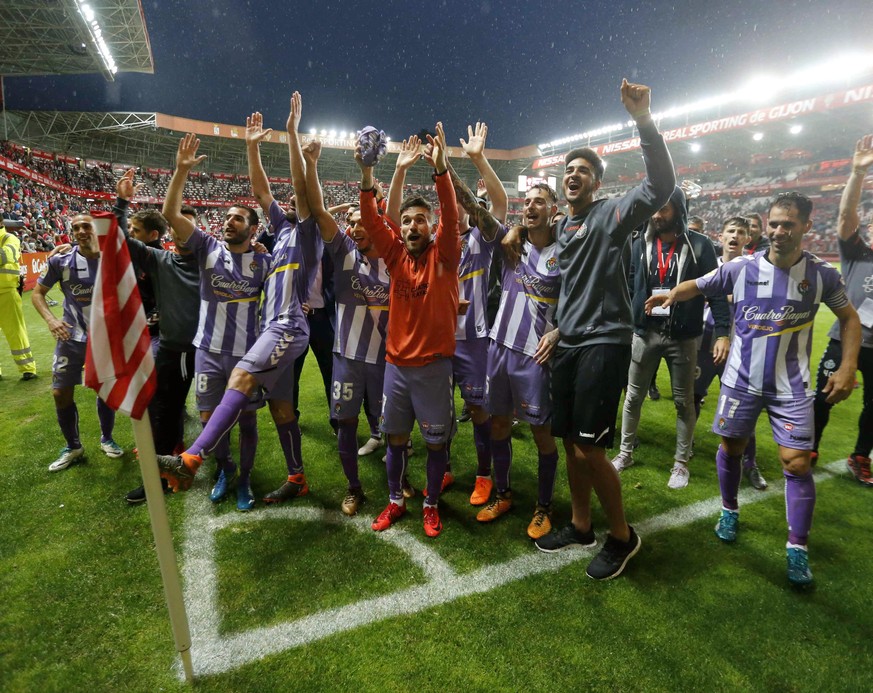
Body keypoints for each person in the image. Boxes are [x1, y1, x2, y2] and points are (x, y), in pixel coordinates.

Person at [647, 191, 861, 586]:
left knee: (796, 463)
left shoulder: (821, 274)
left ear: (806, 227)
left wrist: (848, 367)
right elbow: (700, 283)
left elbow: (849, 319)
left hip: (791, 386)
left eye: (789, 224)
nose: (779, 231)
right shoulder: (741, 268)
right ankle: (729, 509)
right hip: (741, 381)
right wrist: (672, 294)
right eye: (775, 223)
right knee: (731, 447)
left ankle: (797, 547)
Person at [531, 79, 676, 581]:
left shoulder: (610, 214)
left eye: (583, 172)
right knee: (570, 441)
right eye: (569, 170)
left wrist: (643, 121)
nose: (574, 176)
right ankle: (580, 523)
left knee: (590, 446)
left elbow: (660, 187)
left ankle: (622, 536)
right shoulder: (565, 228)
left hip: (604, 342)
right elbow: (570, 289)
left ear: (596, 183)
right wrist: (554, 328)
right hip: (568, 344)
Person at [158, 97, 323, 511]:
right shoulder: (280, 232)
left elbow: (302, 190)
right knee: (283, 411)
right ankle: (296, 477)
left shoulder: (307, 230)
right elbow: (261, 190)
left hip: (286, 326)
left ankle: (191, 458)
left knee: (241, 382)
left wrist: (291, 132)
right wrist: (252, 146)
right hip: (271, 329)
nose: (287, 204)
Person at [388, 123, 507, 504]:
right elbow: (394, 224)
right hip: (431, 344)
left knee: (477, 408)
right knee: (439, 414)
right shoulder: (437, 245)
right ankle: (448, 468)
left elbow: (499, 204)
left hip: (470, 340)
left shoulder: (482, 241)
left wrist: (476, 159)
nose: (466, 209)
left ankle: (485, 475)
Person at [358, 122, 460, 538]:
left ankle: (431, 504)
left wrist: (442, 172)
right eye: (407, 221)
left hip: (434, 369)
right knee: (395, 440)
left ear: (430, 226)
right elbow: (370, 216)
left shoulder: (446, 253)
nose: (413, 226)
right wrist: (374, 172)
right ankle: (396, 500)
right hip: (397, 368)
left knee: (436, 444)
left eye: (421, 220)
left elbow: (451, 217)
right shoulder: (396, 256)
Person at [157, 133, 270, 509]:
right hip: (207, 350)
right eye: (227, 217)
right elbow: (171, 214)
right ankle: (226, 467)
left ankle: (246, 481)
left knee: (249, 423)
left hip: (246, 355)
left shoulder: (263, 261)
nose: (230, 222)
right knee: (209, 420)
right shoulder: (207, 247)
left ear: (253, 229)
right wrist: (181, 171)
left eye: (238, 218)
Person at [612, 186, 729, 489]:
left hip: (684, 336)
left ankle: (680, 463)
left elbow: (714, 290)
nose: (657, 215)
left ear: (678, 209)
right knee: (633, 396)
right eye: (654, 209)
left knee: (683, 401)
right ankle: (625, 453)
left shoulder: (701, 246)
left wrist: (722, 332)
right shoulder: (640, 242)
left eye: (663, 209)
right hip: (646, 332)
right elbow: (630, 282)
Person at [302, 140, 390, 514]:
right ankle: (354, 487)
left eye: (360, 222)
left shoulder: (395, 253)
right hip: (348, 356)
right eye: (350, 223)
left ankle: (399, 486)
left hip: (388, 359)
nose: (354, 228)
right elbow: (319, 210)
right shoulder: (342, 251)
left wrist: (370, 173)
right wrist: (311, 164)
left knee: (394, 430)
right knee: (346, 422)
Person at [106, 173, 202, 504]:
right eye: (177, 225)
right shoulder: (160, 260)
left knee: (221, 412)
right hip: (174, 350)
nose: (182, 229)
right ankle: (160, 476)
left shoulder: (215, 261)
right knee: (164, 409)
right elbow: (117, 240)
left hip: (212, 352)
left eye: (189, 225)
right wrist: (122, 203)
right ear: (169, 232)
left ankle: (228, 470)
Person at [478, 182, 562, 539]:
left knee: (542, 433)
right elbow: (478, 213)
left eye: (539, 201)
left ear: (553, 210)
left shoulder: (566, 253)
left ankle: (544, 507)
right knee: (498, 425)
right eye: (526, 202)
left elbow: (578, 300)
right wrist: (445, 168)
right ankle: (503, 494)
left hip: (534, 355)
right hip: (499, 347)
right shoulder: (513, 244)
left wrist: (559, 332)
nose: (530, 206)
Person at [32, 212, 124, 471]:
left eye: (87, 226)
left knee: (105, 391)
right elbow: (38, 294)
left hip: (105, 339)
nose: (81, 231)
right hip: (71, 338)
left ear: (97, 229)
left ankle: (107, 438)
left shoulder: (114, 260)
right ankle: (74, 447)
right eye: (76, 228)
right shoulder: (60, 261)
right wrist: (51, 320)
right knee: (60, 392)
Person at [812, 134, 873, 484]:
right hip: (846, 340)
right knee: (824, 396)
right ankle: (812, 445)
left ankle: (860, 456)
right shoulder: (858, 253)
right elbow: (846, 215)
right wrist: (857, 174)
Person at [692, 216, 767, 490]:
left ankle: (750, 463)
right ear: (721, 237)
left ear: (748, 239)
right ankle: (686, 446)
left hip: (740, 346)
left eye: (741, 232)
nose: (735, 235)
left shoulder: (756, 269)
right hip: (705, 341)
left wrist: (717, 295)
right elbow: (695, 292)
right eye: (731, 231)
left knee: (746, 407)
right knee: (694, 396)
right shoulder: (709, 267)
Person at [0, 222, 37, 380]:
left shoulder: (10, 238)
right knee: (16, 330)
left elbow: (4, 256)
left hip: (7, 292)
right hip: (7, 291)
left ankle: (27, 368)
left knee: (16, 331)